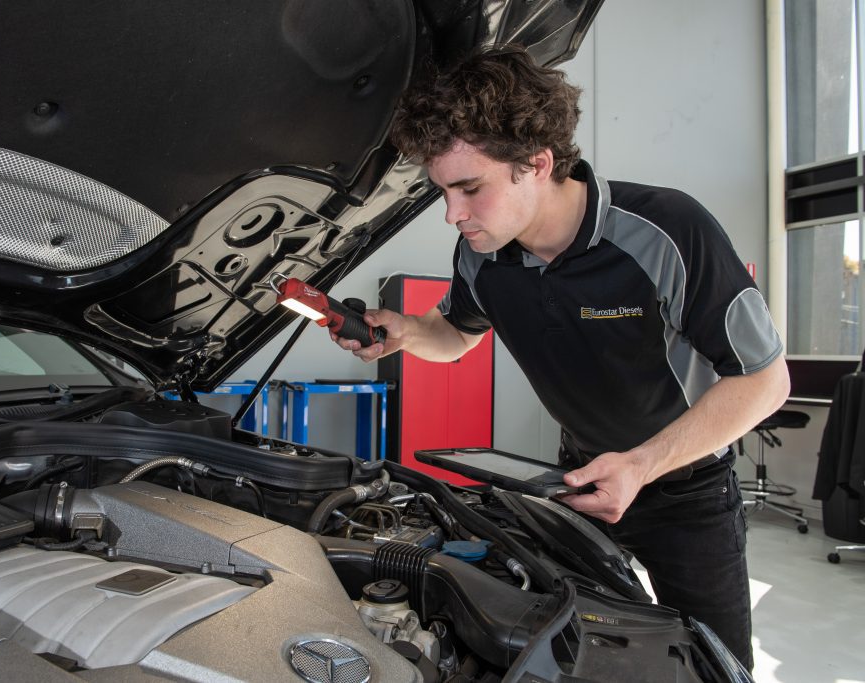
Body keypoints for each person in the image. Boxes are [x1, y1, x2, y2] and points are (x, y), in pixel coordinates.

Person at [331, 45, 789, 671]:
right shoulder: (483, 254)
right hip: (577, 480)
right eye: (443, 191)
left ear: (537, 163)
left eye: (469, 188)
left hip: (686, 491)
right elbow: (458, 335)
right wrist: (406, 332)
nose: (452, 214)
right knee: (563, 651)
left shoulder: (666, 230)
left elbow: (765, 381)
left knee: (714, 665)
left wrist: (642, 463)